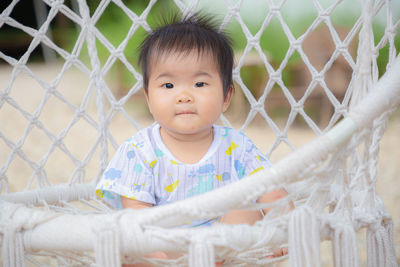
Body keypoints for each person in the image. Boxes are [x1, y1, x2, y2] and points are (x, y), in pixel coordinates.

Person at [96, 13, 290, 266]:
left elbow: (272, 191)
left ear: (226, 97)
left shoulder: (238, 148)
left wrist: (283, 230)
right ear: (148, 98)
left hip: (222, 247)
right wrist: (157, 253)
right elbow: (136, 215)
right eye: (168, 86)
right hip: (163, 247)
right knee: (127, 244)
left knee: (245, 209)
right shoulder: (139, 151)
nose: (184, 95)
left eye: (199, 84)